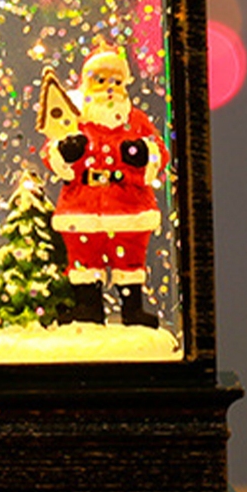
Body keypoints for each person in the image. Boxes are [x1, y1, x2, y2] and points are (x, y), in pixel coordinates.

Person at [40, 43, 168, 327]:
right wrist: (64, 152)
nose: (110, 87)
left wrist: (145, 153)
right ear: (88, 82)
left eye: (117, 81)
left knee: (130, 258)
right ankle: (88, 308)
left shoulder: (135, 120)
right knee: (84, 258)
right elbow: (50, 150)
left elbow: (160, 150)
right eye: (101, 80)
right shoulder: (76, 119)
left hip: (129, 204)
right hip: (82, 204)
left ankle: (132, 309)